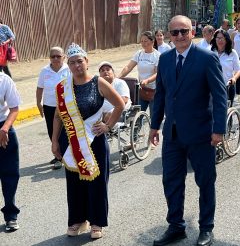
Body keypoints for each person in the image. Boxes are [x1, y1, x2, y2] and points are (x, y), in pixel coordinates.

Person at [149, 15, 227, 246]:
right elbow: (161, 94)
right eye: (175, 33)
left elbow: (220, 97)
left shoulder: (207, 58)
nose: (180, 36)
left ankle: (206, 228)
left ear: (193, 32)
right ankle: (176, 226)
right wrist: (154, 125)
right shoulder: (164, 59)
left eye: (184, 31)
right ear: (169, 35)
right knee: (171, 181)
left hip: (202, 134)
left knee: (205, 181)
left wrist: (219, 129)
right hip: (172, 135)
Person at [51, 43, 124, 239]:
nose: (76, 66)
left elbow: (120, 104)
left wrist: (108, 126)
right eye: (72, 62)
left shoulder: (98, 82)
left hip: (95, 141)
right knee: (74, 183)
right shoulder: (63, 87)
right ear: (68, 64)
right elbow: (58, 116)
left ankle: (97, 222)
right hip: (71, 140)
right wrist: (54, 141)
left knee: (97, 182)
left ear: (87, 62)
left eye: (80, 61)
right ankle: (77, 220)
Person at [36, 46, 70, 170]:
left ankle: (62, 157)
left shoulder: (69, 69)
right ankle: (58, 155)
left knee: (65, 132)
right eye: (52, 56)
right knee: (52, 132)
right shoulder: (44, 71)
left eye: (58, 56)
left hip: (66, 106)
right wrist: (38, 103)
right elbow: (40, 88)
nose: (55, 58)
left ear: (64, 57)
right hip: (49, 106)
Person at [117, 31, 160, 116]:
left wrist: (147, 81)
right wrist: (118, 78)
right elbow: (128, 67)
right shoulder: (139, 54)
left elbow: (157, 73)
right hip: (142, 89)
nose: (143, 43)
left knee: (154, 118)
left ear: (152, 41)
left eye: (146, 41)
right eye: (142, 41)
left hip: (154, 91)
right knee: (137, 116)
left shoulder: (157, 55)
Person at [0, 72, 21, 232]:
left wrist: (5, 128)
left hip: (3, 129)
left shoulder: (4, 80)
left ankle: (11, 216)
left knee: (9, 175)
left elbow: (14, 108)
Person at [211, 29, 240, 106]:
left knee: (226, 112)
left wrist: (234, 78)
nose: (219, 40)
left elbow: (239, 70)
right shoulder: (210, 52)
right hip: (213, 87)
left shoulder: (232, 53)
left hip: (227, 86)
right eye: (218, 38)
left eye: (222, 38)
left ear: (226, 40)